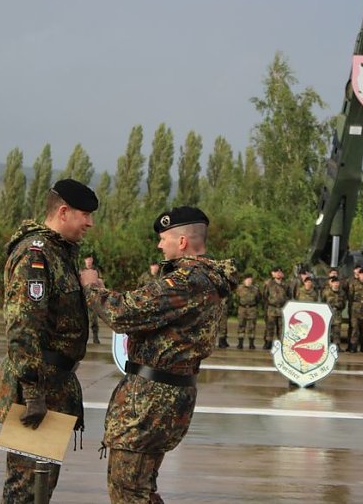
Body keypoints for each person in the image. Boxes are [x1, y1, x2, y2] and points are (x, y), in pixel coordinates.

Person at [81, 206, 237, 503]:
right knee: (142, 487)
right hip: (168, 394)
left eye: (164, 238)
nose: (159, 245)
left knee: (128, 489)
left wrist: (91, 287)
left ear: (182, 242)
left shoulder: (188, 281)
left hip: (152, 399)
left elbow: (123, 313)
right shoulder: (204, 278)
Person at [0, 179, 98, 504]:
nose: (90, 223)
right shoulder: (36, 255)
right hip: (38, 389)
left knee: (41, 488)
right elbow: (23, 326)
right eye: (85, 215)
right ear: (63, 212)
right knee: (26, 491)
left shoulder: (59, 253)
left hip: (54, 385)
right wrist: (33, 393)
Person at [261, 266, 290, 349]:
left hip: (282, 309)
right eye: (277, 272)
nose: (278, 274)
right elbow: (264, 295)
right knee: (269, 326)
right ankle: (268, 342)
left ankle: (281, 343)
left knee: (281, 327)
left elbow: (289, 295)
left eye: (280, 272)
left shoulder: (286, 284)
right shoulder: (269, 284)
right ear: (273, 274)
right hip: (271, 308)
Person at [80, 254, 103, 344]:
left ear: (92, 260)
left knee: (94, 318)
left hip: (94, 296)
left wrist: (102, 291)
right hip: (83, 296)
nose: (89, 261)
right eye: (87, 260)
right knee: (82, 319)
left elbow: (100, 282)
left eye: (90, 260)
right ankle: (83, 338)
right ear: (85, 261)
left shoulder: (96, 270)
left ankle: (95, 336)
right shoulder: (81, 270)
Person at [235, 273, 261, 349]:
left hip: (252, 309)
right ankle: (240, 343)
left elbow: (258, 299)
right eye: (247, 279)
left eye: (250, 279)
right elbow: (237, 298)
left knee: (252, 326)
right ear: (244, 280)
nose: (249, 281)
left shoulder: (255, 289)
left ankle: (251, 343)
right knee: (241, 325)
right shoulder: (239, 288)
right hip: (242, 309)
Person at [321, 276, 346, 347]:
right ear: (331, 283)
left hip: (337, 315)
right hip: (328, 315)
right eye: (334, 283)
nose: (336, 284)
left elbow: (344, 304)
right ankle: (326, 346)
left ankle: (336, 346)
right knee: (327, 332)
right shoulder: (326, 292)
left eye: (337, 283)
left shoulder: (342, 293)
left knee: (337, 332)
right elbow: (323, 302)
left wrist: (338, 307)